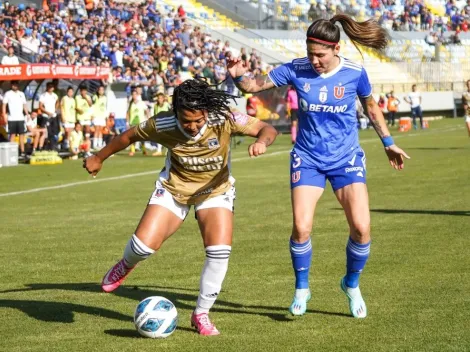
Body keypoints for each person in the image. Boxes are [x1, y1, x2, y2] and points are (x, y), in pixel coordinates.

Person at [227, 14, 410, 319]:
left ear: (336, 49)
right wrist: (237, 76)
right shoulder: (296, 68)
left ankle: (351, 284)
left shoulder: (354, 72)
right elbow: (253, 85)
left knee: (362, 228)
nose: (314, 60)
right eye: (311, 53)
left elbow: (370, 105)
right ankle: (302, 288)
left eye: (321, 55)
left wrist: (388, 142)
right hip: (308, 158)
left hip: (346, 158)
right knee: (301, 227)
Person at [83, 79, 278, 336]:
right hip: (174, 190)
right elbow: (128, 136)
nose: (194, 126)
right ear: (176, 112)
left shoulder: (224, 118)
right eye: (187, 121)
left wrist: (262, 142)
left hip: (215, 192)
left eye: (199, 120)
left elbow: (267, 128)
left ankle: (201, 314)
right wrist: (99, 157)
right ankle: (127, 264)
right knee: (142, 247)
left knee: (219, 252)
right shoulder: (162, 123)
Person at [2, 81, 30, 157]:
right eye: (14, 85)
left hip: (20, 118)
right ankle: (11, 152)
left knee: (22, 135)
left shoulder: (21, 94)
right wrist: (4, 115)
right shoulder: (8, 94)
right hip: (12, 118)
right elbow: (4, 105)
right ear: (11, 85)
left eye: (16, 85)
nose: (15, 86)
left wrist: (27, 114)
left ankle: (22, 151)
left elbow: (24, 105)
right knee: (12, 135)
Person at [126, 89, 150, 156]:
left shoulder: (141, 103)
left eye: (135, 94)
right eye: (133, 94)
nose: (134, 96)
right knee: (132, 138)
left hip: (141, 123)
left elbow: (147, 110)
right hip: (133, 123)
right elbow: (128, 114)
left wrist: (148, 119)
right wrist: (127, 122)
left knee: (142, 138)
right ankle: (132, 151)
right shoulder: (130, 104)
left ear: (137, 95)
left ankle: (144, 150)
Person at [39, 82, 60, 151]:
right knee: (47, 132)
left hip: (53, 116)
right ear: (47, 87)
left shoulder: (54, 95)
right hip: (46, 116)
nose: (51, 88)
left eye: (52, 87)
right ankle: (44, 146)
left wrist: (55, 109)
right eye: (49, 87)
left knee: (54, 131)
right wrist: (47, 112)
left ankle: (53, 146)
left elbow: (57, 102)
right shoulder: (43, 95)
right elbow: (41, 106)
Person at [92, 85, 108, 150]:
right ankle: (95, 145)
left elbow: (105, 107)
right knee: (96, 130)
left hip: (102, 116)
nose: (101, 91)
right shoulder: (95, 97)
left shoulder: (105, 98)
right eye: (100, 90)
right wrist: (92, 115)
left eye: (102, 90)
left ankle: (100, 144)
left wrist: (106, 116)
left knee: (101, 131)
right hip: (96, 115)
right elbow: (92, 106)